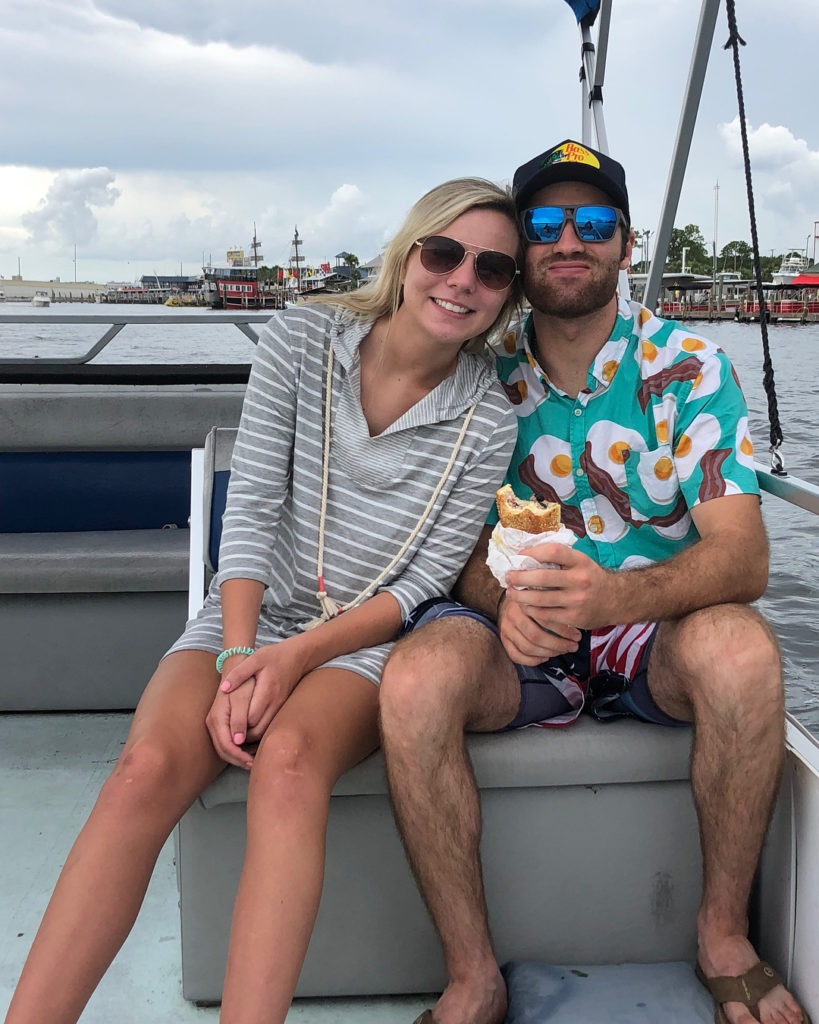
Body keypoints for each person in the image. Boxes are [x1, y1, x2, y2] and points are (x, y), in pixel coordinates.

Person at [3, 177, 525, 1024]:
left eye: (493, 269)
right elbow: (248, 509)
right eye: (444, 252)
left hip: (354, 643)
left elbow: (418, 586)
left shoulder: (488, 422)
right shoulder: (304, 336)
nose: (462, 279)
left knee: (287, 772)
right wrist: (244, 653)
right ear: (408, 254)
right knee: (141, 773)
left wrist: (294, 660)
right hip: (251, 612)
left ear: (506, 297)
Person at [380, 140, 808, 1024]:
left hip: (652, 636)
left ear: (624, 241)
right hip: (514, 639)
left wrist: (614, 600)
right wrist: (504, 605)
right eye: (543, 223)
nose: (567, 239)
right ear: (520, 253)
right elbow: (449, 550)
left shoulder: (687, 368)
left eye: (592, 222)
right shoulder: (477, 377)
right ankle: (472, 976)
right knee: (416, 678)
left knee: (741, 649)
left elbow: (743, 557)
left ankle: (722, 935)